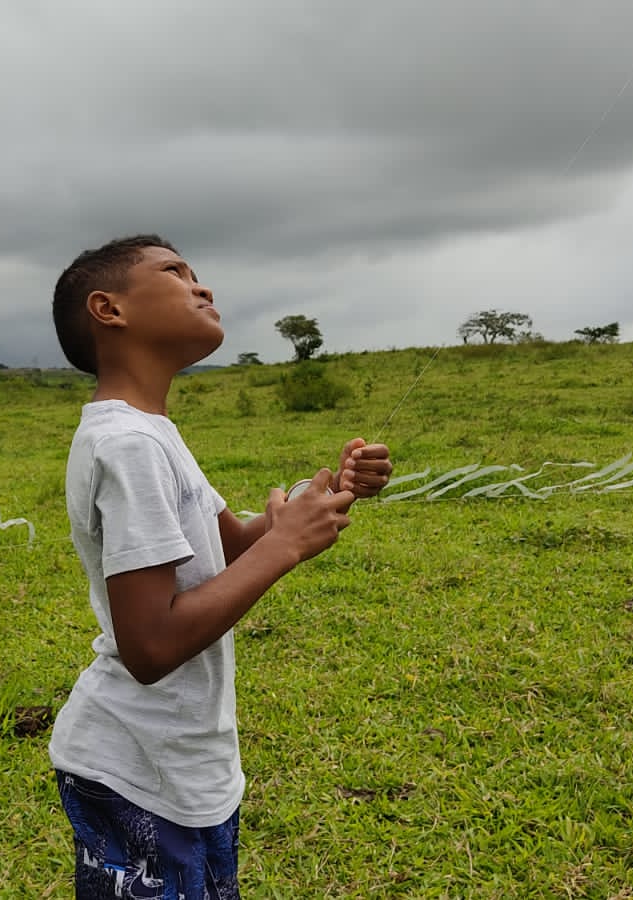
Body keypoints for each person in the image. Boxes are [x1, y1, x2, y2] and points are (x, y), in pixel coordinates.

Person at [47, 235, 393, 897]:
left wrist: (318, 498)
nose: (201, 286)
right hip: (138, 769)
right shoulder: (129, 445)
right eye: (175, 272)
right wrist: (285, 546)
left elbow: (228, 545)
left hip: (176, 762)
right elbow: (148, 646)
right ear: (108, 309)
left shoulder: (151, 432)